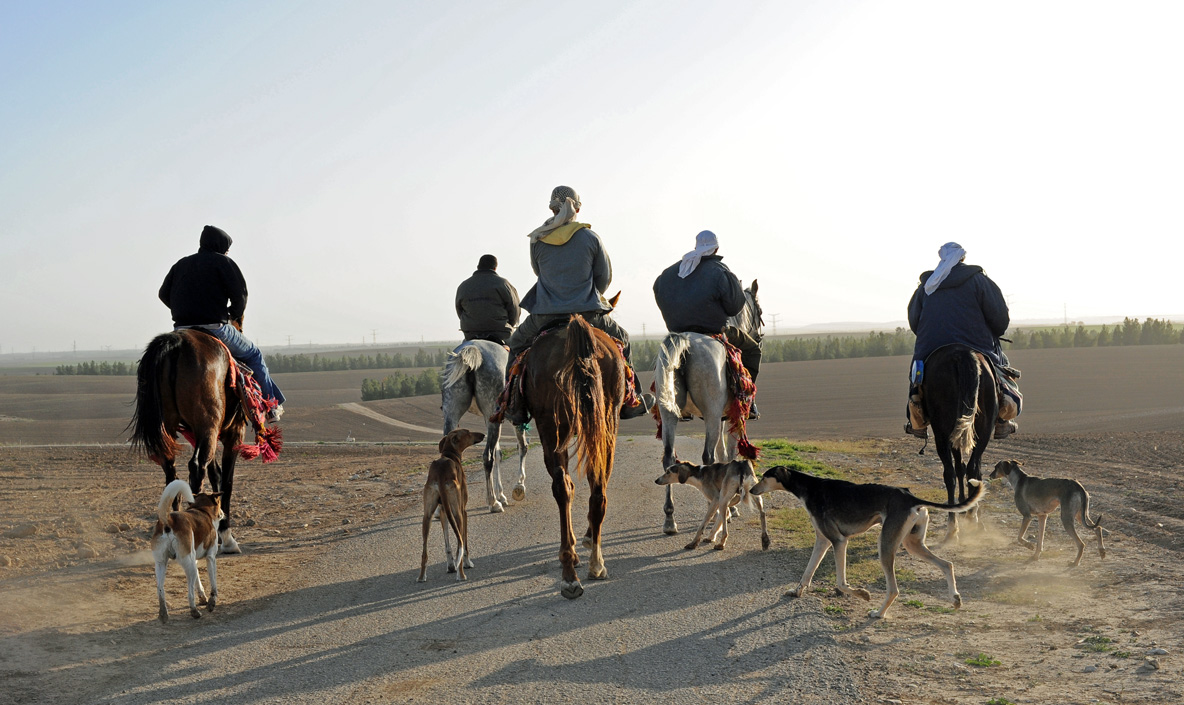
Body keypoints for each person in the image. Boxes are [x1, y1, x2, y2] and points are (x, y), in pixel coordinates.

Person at [503, 185, 654, 422]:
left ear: (552, 208)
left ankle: (513, 404)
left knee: (516, 344)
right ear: (578, 208)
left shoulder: (537, 239)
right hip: (588, 312)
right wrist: (586, 295)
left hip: (546, 315)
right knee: (622, 339)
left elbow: (538, 272)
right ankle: (630, 400)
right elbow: (604, 279)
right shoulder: (590, 237)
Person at [159, 225, 286, 423]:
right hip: (215, 328)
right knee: (254, 354)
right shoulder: (223, 262)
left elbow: (163, 294)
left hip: (181, 329)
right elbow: (240, 296)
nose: (227, 252)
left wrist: (182, 311)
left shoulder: (180, 264)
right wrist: (233, 316)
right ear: (220, 246)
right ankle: (271, 405)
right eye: (227, 248)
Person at [905, 242, 1020, 440]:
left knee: (917, 375)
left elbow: (914, 319)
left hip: (932, 344)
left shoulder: (927, 284)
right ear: (962, 258)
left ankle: (917, 421)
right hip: (978, 343)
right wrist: (994, 332)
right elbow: (1000, 317)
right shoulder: (980, 280)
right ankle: (1003, 419)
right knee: (1001, 370)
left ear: (942, 258)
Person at [652, 230, 763, 418]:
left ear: (696, 247)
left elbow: (658, 290)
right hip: (714, 330)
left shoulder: (670, 272)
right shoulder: (721, 271)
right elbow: (735, 307)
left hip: (677, 334)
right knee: (753, 350)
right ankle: (747, 401)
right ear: (716, 249)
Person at [455, 254, 520, 346]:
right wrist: (510, 324)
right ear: (495, 268)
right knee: (518, 353)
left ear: (478, 267)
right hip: (500, 333)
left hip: (471, 334)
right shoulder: (503, 284)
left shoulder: (463, 286)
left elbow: (459, 311)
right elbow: (514, 309)